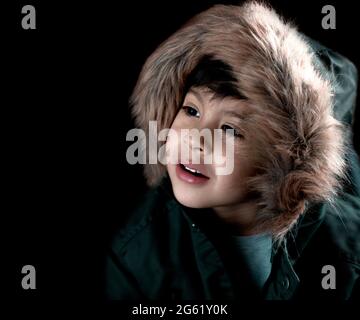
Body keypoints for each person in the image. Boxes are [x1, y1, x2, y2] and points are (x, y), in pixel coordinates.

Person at [106, 1, 360, 300]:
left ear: (287, 155)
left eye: (230, 130)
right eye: (190, 110)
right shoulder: (139, 253)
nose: (195, 140)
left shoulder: (346, 251)